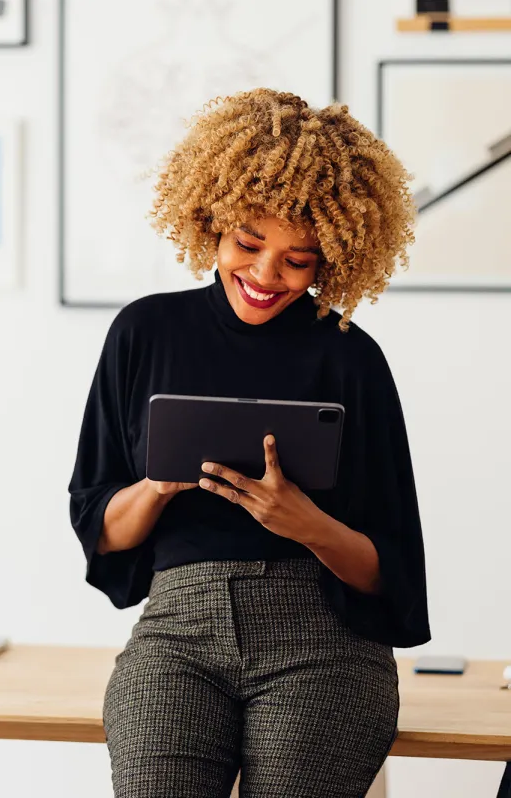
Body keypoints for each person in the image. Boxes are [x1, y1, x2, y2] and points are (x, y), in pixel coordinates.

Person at [68, 88, 430, 798]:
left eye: (299, 260)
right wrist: (159, 485)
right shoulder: (144, 333)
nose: (267, 276)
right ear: (212, 221)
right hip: (176, 633)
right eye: (249, 244)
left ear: (334, 256)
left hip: (323, 640)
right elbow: (101, 533)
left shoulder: (351, 358)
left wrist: (307, 525)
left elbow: (388, 570)